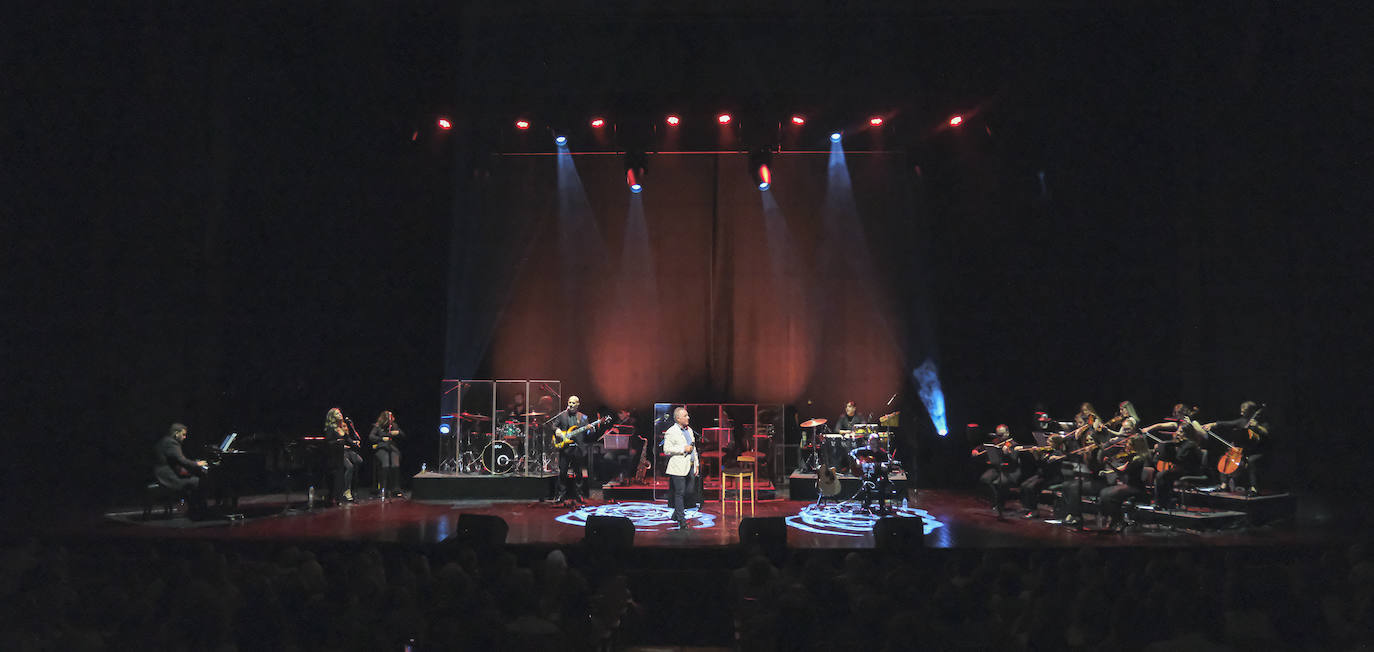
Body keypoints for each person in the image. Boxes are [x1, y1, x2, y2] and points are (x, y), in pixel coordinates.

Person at [1204, 401, 1269, 495]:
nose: (1241, 413)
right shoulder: (1242, 421)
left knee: (1251, 461)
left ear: (1252, 411)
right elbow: (1226, 423)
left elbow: (1267, 433)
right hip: (1242, 451)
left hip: (1256, 451)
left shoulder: (1261, 422)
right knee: (1225, 458)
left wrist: (1258, 426)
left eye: (1244, 411)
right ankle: (1224, 485)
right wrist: (1212, 424)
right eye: (1241, 411)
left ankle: (1254, 488)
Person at [153, 422, 209, 516]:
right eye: (183, 434)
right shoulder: (171, 443)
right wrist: (197, 464)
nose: (184, 437)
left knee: (192, 479)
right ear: (176, 433)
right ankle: (200, 511)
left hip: (163, 474)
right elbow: (181, 460)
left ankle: (194, 509)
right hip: (167, 477)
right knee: (198, 481)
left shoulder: (166, 440)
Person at [663, 406, 699, 529]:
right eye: (685, 416)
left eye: (687, 415)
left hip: (690, 465)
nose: (688, 417)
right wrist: (682, 449)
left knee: (689, 492)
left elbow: (694, 448)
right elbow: (666, 450)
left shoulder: (689, 430)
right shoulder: (671, 431)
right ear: (678, 418)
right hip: (677, 466)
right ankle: (681, 520)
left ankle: (675, 513)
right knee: (680, 492)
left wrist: (697, 464)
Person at [975, 424, 1021, 518]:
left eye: (1001, 435)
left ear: (1007, 433)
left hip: (1010, 471)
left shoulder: (1013, 444)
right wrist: (976, 450)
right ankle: (995, 500)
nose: (999, 437)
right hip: (997, 468)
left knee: (1002, 483)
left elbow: (1014, 459)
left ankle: (1000, 505)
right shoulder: (996, 442)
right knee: (984, 479)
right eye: (998, 435)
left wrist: (1008, 453)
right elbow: (982, 447)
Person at [552, 395, 591, 505]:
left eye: (573, 403)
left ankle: (579, 494)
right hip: (565, 448)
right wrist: (557, 430)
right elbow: (553, 426)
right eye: (569, 402)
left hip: (578, 449)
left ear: (578, 404)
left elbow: (588, 434)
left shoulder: (583, 417)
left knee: (578, 473)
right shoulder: (562, 415)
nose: (571, 405)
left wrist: (590, 430)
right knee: (563, 472)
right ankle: (561, 495)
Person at [849, 434, 895, 515]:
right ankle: (867, 504)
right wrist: (857, 460)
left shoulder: (883, 453)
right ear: (869, 442)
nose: (875, 445)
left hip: (879, 475)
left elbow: (887, 468)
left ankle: (882, 506)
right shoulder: (863, 451)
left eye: (876, 443)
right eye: (873, 443)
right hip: (867, 475)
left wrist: (886, 467)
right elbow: (852, 453)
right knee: (866, 481)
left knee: (882, 482)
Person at [324, 408, 362, 504]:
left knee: (356, 462)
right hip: (335, 455)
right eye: (337, 413)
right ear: (332, 416)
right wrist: (339, 443)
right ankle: (343, 492)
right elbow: (328, 442)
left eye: (340, 413)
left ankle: (346, 491)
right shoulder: (330, 428)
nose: (340, 414)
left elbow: (348, 439)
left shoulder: (340, 428)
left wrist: (354, 443)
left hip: (342, 453)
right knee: (348, 467)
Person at [369, 410, 405, 497]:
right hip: (381, 447)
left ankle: (395, 489)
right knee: (386, 463)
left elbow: (403, 435)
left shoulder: (394, 426)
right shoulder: (377, 426)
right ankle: (383, 489)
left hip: (392, 448)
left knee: (395, 463)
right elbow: (371, 437)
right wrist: (382, 438)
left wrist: (398, 433)